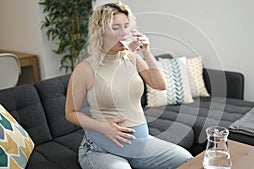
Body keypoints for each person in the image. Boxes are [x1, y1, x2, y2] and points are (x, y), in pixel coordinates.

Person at [65, 1, 193, 169]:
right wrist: (103, 127)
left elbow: (160, 85)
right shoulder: (85, 69)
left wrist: (146, 51)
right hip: (101, 150)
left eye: (126, 26)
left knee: (187, 159)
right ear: (100, 32)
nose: (124, 32)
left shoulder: (132, 58)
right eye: (115, 27)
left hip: (139, 146)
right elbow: (71, 113)